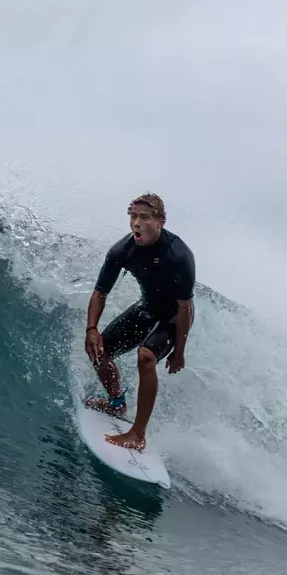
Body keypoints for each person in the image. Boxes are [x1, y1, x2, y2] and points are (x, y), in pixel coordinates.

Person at [84, 193, 195, 451]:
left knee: (146, 356)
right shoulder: (122, 251)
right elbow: (100, 293)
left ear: (160, 222)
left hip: (172, 316)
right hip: (146, 309)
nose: (136, 222)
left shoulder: (178, 255)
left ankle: (137, 433)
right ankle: (115, 402)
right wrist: (92, 329)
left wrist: (179, 351)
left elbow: (185, 308)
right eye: (133, 216)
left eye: (144, 217)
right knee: (99, 350)